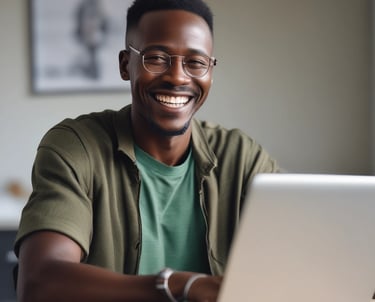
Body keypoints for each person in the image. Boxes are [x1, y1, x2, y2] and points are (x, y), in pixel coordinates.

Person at [14, 0, 280, 301]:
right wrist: (179, 285)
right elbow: (40, 283)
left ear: (211, 71)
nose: (178, 77)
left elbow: (302, 255)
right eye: (157, 58)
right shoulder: (76, 147)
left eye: (195, 62)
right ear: (126, 65)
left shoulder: (243, 158)